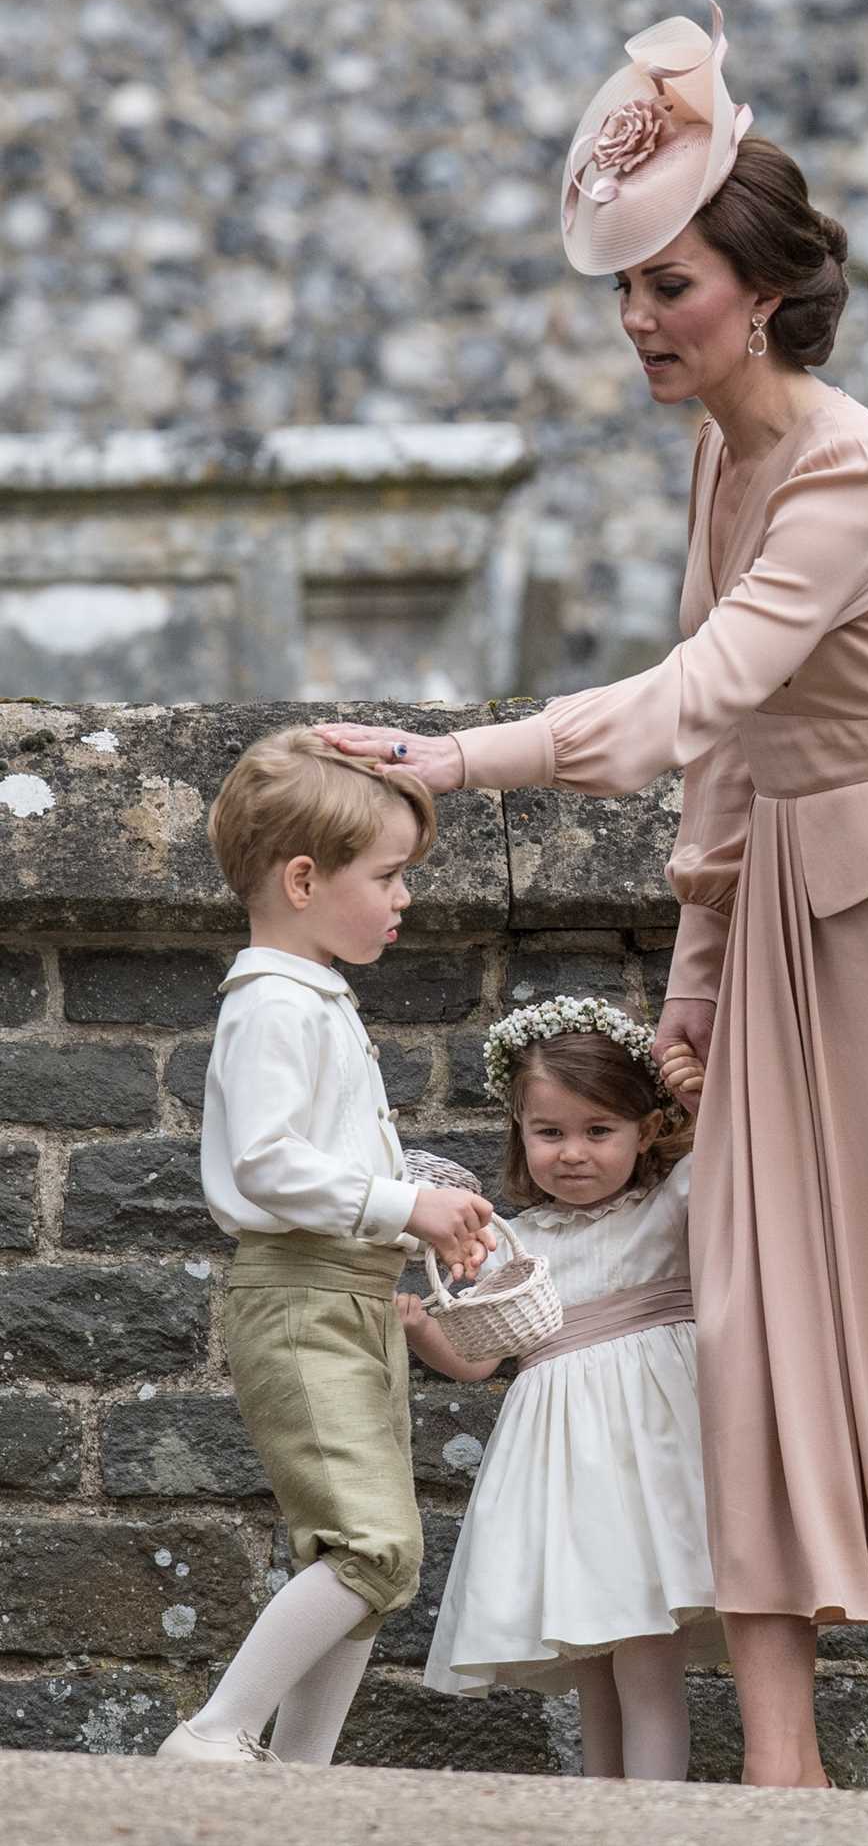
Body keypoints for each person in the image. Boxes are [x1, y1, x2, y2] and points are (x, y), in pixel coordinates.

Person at [316, 5, 868, 1796]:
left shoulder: (854, 464)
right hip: (789, 935)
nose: (642, 321)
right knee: (759, 1331)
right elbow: (730, 778)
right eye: (626, 291)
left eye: (672, 287)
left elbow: (689, 701)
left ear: (766, 290)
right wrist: (698, 983)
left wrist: (452, 757)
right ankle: (782, 1781)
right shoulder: (722, 455)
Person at [156, 728, 495, 1767]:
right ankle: (215, 1733)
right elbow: (263, 1165)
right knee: (370, 1546)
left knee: (374, 1559)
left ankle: (301, 1773)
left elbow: (319, 1153)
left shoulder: (312, 999)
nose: (403, 900)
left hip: (346, 1296)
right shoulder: (271, 1007)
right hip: (302, 1300)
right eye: (388, 876)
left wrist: (419, 1200)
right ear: (303, 878)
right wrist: (400, 1202)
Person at [402, 997, 719, 1782]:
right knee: (595, 1673)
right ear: (521, 1133)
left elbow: (738, 1154)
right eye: (549, 1132)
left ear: (645, 1131)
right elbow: (481, 1358)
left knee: (647, 1664)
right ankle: (605, 1816)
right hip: (570, 1485)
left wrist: (701, 1100)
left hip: (653, 1468)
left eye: (597, 1130)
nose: (572, 1152)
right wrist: (420, 1327)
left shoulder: (669, 1205)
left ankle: (656, 1824)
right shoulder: (520, 1238)